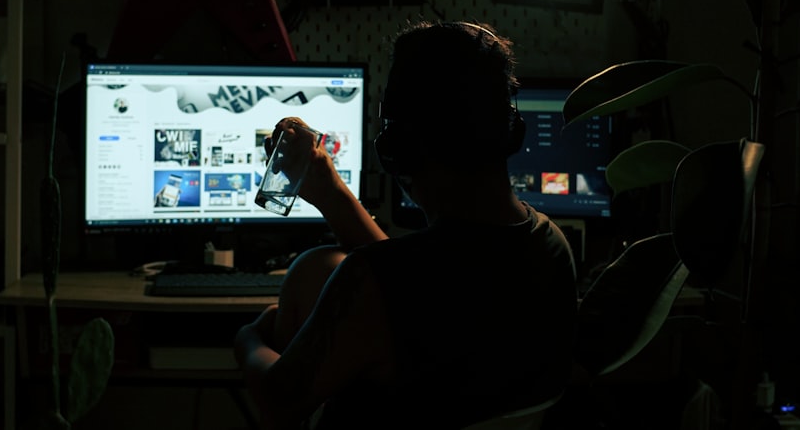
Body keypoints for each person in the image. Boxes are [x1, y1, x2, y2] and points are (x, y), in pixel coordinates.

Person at [234, 21, 578, 430]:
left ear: (400, 152)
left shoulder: (373, 283)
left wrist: (249, 338)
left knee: (311, 269)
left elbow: (279, 400)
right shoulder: (551, 246)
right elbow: (422, 287)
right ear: (512, 131)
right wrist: (330, 193)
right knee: (320, 266)